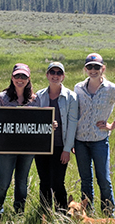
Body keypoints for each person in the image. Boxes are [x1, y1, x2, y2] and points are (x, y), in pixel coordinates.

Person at [74, 53, 115, 217]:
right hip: (80, 141)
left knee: (104, 180)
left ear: (103, 68)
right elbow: (74, 113)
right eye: (90, 67)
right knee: (85, 180)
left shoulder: (111, 88)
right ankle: (87, 215)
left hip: (99, 141)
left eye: (97, 67)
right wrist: (71, 139)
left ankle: (108, 214)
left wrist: (112, 125)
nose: (93, 70)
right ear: (85, 69)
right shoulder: (78, 88)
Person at [0, 63, 37, 222]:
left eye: (24, 76)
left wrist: (50, 125)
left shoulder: (35, 100)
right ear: (12, 77)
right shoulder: (1, 98)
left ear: (29, 79)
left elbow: (40, 122)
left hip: (28, 148)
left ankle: (19, 214)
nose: (20, 79)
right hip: (6, 148)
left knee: (22, 182)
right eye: (17, 76)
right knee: (3, 182)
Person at [34, 62, 78, 214]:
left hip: (60, 146)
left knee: (58, 182)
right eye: (52, 72)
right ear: (47, 75)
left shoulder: (71, 97)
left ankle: (61, 215)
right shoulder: (39, 96)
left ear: (63, 76)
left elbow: (72, 124)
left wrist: (67, 149)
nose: (55, 75)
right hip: (41, 146)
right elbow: (31, 119)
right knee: (44, 182)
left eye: (59, 73)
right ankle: (44, 213)